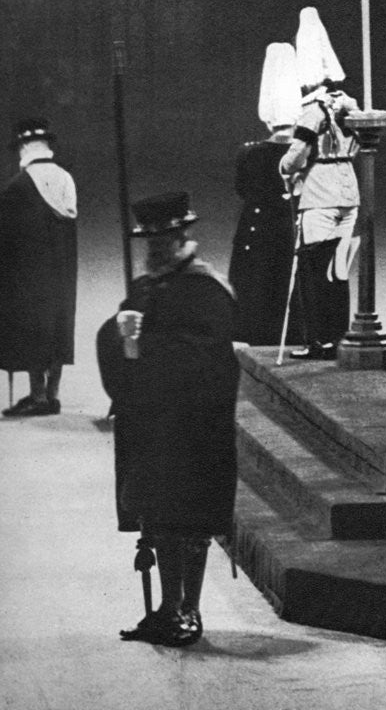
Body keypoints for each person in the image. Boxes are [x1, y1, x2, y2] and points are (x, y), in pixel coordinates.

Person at [96, 192, 240, 647]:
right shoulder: (144, 287)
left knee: (190, 520)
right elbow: (117, 340)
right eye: (149, 243)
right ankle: (165, 608)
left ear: (183, 238)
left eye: (164, 242)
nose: (155, 250)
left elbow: (204, 355)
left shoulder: (206, 289)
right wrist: (119, 337)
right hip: (151, 423)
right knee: (157, 519)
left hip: (194, 425)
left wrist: (143, 347)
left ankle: (189, 610)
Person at [279, 7, 360, 360]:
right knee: (338, 272)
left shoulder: (313, 110)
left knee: (313, 273)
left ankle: (318, 340)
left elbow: (294, 158)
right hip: (349, 191)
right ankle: (339, 335)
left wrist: (284, 167)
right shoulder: (349, 104)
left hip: (319, 195)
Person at [0, 118, 77, 417]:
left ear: (23, 147)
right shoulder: (66, 179)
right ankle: (53, 394)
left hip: (30, 273)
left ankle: (37, 394)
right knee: (58, 324)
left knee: (34, 326)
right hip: (63, 271)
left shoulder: (19, 185)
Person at [229, 42, 304, 346]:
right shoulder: (305, 152)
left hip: (259, 230)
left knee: (257, 289)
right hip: (291, 224)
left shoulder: (251, 153)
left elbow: (242, 189)